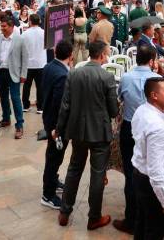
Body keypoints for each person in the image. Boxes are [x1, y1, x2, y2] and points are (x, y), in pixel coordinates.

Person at [57, 40, 118, 231]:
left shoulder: (74, 73)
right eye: (106, 54)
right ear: (101, 55)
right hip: (99, 132)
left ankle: (64, 212)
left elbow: (65, 105)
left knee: (74, 169)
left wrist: (59, 129)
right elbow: (114, 110)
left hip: (78, 131)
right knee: (97, 175)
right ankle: (94, 217)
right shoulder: (107, 77)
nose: (107, 56)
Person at [113, 43, 159, 234]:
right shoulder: (156, 79)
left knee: (131, 173)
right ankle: (146, 217)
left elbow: (120, 98)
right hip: (150, 131)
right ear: (152, 61)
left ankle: (132, 219)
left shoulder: (126, 77)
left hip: (130, 129)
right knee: (150, 171)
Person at [131, 77, 164, 240]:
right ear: (154, 95)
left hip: (138, 175)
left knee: (142, 222)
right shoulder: (159, 128)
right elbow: (155, 171)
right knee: (155, 230)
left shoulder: (142, 110)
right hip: (151, 183)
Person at [40, 39, 74, 209]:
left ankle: (53, 181)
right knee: (54, 157)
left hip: (48, 120)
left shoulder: (49, 67)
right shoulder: (62, 75)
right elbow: (59, 105)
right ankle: (48, 194)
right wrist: (56, 129)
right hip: (56, 126)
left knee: (53, 156)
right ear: (70, 55)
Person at [0, 14, 28, 139]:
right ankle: (6, 119)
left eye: (4, 26)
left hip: (14, 73)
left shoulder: (20, 39)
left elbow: (25, 58)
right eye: (1, 26)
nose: (2, 28)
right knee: (3, 97)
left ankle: (19, 124)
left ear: (12, 26)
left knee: (15, 98)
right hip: (1, 72)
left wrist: (24, 74)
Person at [21, 13, 46, 114]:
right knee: (40, 86)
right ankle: (40, 107)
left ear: (30, 21)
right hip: (41, 63)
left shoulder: (25, 34)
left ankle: (26, 106)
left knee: (26, 86)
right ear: (39, 21)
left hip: (28, 64)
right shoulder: (44, 33)